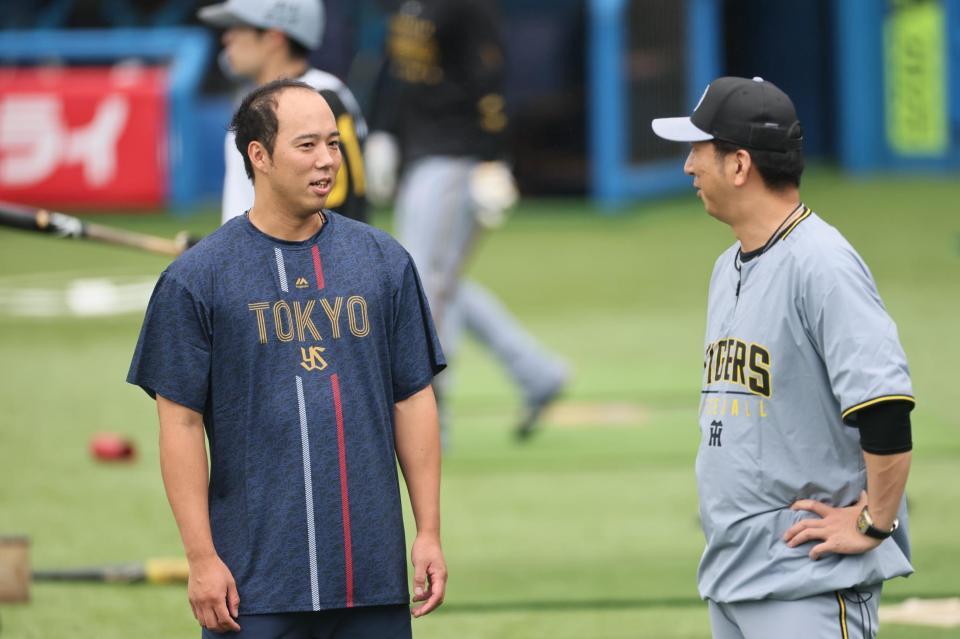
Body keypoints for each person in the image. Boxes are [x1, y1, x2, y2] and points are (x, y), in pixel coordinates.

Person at [128, 79, 446, 637]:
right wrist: (201, 558)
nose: (327, 160)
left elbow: (413, 397)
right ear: (259, 155)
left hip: (370, 574)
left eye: (333, 143)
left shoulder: (384, 262)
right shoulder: (195, 280)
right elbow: (179, 423)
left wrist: (428, 532)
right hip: (253, 586)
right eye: (307, 146)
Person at [651, 76, 915, 638]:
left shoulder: (822, 264)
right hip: (734, 574)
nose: (688, 166)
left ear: (739, 164)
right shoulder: (728, 267)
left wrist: (875, 522)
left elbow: (885, 404)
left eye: (699, 149)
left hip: (807, 582)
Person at [365, 0, 569, 440]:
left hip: (456, 153)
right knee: (437, 277)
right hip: (420, 152)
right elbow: (394, 66)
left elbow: (489, 82)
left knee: (423, 279)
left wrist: (494, 160)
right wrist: (382, 130)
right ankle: (537, 373)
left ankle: (434, 404)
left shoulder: (469, 5)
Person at [198, 0, 369, 224]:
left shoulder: (319, 100)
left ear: (273, 38)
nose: (227, 38)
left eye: (238, 27)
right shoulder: (265, 99)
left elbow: (334, 214)